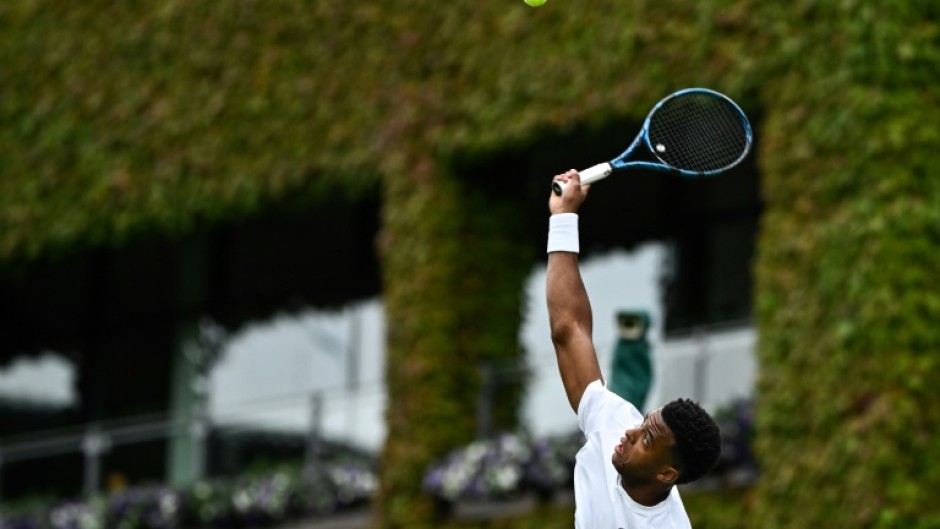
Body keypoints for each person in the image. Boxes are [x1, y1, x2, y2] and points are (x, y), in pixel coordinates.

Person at [546, 169, 721, 529]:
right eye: (645, 423)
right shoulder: (617, 425)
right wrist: (563, 218)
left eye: (647, 438)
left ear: (666, 473)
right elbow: (569, 330)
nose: (631, 431)